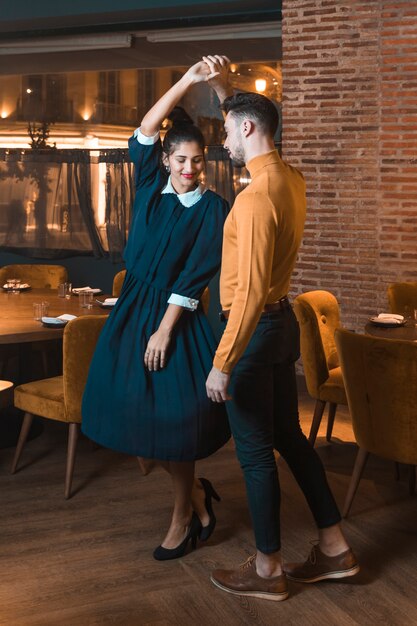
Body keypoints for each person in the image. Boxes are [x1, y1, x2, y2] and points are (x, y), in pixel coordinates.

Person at [204, 60, 359, 601]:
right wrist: (226, 93)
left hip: (251, 334)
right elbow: (253, 122)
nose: (222, 141)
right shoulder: (290, 179)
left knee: (254, 454)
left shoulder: (252, 199)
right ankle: (335, 548)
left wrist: (223, 361)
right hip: (280, 327)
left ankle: (267, 572)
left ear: (247, 129)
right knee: (291, 440)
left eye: (227, 131)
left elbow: (245, 293)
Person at [82, 59, 231, 561]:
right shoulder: (148, 185)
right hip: (130, 314)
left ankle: (182, 516)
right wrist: (189, 82)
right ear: (166, 160)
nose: (190, 169)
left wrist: (165, 332)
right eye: (182, 160)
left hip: (175, 320)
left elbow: (193, 279)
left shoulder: (213, 209)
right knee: (131, 422)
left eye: (198, 161)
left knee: (174, 426)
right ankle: (196, 496)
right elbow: (146, 129)